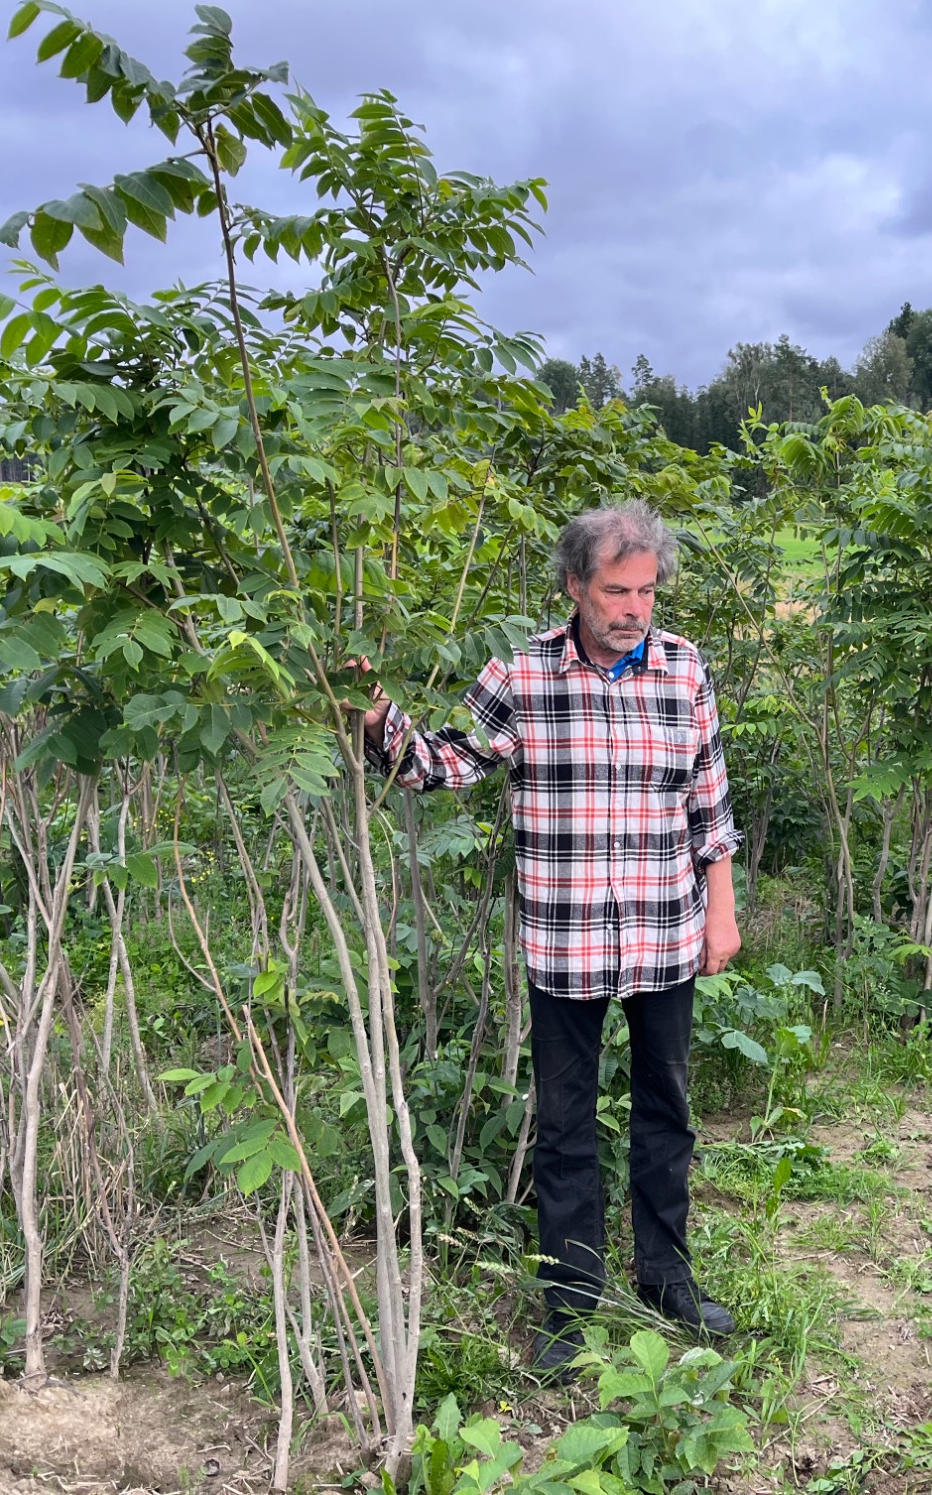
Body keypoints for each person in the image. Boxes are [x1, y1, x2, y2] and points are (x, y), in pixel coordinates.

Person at [359, 501, 743, 1377]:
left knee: (667, 1112)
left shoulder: (684, 669)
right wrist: (378, 718)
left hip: (664, 932)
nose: (634, 609)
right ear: (575, 586)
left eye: (646, 592)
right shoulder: (525, 672)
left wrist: (720, 912)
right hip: (565, 941)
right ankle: (568, 1306)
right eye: (616, 591)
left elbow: (709, 802)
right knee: (566, 1126)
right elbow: (444, 762)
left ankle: (667, 1280)